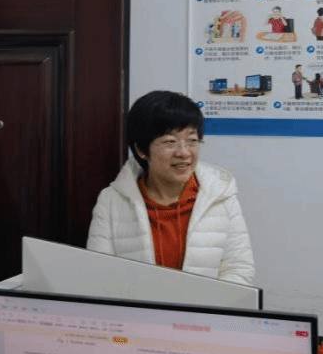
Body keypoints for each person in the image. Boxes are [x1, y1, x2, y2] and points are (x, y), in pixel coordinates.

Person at [87, 90, 255, 285]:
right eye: (170, 142)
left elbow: (239, 269)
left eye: (192, 141)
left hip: (205, 305)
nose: (184, 153)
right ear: (141, 149)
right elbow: (99, 275)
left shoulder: (220, 196)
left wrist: (203, 304)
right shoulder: (111, 201)